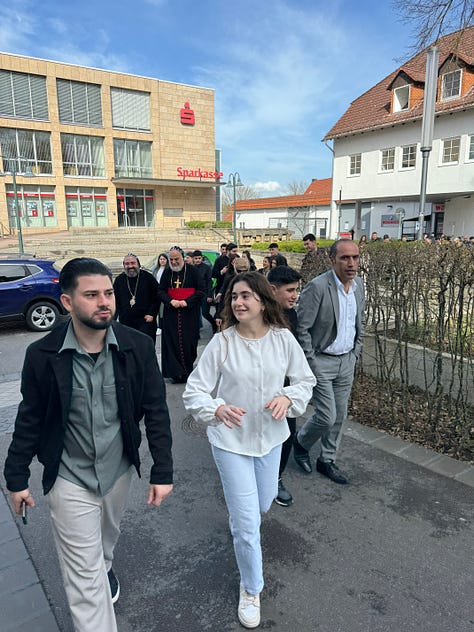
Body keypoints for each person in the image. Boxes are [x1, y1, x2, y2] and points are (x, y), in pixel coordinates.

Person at [3, 257, 173, 632]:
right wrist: (15, 476)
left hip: (118, 469)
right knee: (84, 578)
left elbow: (155, 410)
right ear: (67, 302)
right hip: (69, 476)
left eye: (109, 293)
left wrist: (162, 469)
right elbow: (30, 416)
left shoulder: (138, 347)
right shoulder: (42, 355)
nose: (104, 302)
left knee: (105, 540)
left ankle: (104, 567)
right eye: (92, 295)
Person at [183, 272, 315, 629]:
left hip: (271, 439)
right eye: (234, 296)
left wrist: (288, 397)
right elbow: (195, 391)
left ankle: (242, 521)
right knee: (246, 525)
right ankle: (251, 587)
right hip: (230, 442)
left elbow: (305, 381)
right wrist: (216, 409)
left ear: (262, 300)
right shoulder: (222, 344)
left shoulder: (283, 339)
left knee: (261, 504)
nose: (238, 302)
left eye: (246, 296)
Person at [294, 240, 365, 485]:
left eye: (355, 257)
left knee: (340, 415)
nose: (351, 263)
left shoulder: (359, 286)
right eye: (345, 258)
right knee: (326, 416)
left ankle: (327, 460)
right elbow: (302, 329)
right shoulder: (317, 287)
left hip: (346, 361)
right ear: (331, 259)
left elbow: (359, 322)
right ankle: (301, 443)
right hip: (321, 361)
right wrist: (311, 363)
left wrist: (356, 351)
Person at [267, 265, 302, 507]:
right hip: (258, 392)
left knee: (287, 435)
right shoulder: (255, 315)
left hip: (285, 392)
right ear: (272, 290)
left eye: (296, 290)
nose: (294, 295)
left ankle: (276, 479)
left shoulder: (292, 315)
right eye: (289, 290)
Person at [157, 246, 205, 383]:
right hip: (171, 313)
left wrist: (187, 302)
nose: (174, 262)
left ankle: (187, 371)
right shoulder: (167, 273)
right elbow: (160, 291)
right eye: (171, 260)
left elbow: (201, 290)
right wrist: (170, 301)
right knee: (171, 343)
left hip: (189, 314)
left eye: (176, 259)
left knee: (189, 343)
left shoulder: (193, 271)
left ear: (182, 257)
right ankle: (175, 373)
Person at [113, 253, 159, 344]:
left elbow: (157, 297)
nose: (130, 266)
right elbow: (115, 301)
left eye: (133, 263)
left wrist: (152, 313)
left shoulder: (148, 278)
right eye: (127, 264)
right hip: (126, 323)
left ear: (138, 264)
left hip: (145, 322)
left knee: (145, 350)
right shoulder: (119, 280)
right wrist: (113, 319)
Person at [214, 256, 250, 327]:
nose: (242, 273)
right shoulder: (230, 279)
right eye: (239, 271)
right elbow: (224, 298)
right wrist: (219, 315)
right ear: (235, 269)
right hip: (231, 311)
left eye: (244, 271)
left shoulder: (253, 280)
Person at [193, 249, 217, 333]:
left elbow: (209, 282)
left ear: (201, 258)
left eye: (199, 258)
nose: (197, 260)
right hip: (195, 295)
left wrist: (209, 295)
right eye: (196, 258)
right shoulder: (191, 268)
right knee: (195, 314)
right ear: (193, 259)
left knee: (205, 313)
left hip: (205, 294)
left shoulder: (206, 268)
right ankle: (196, 332)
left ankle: (214, 324)